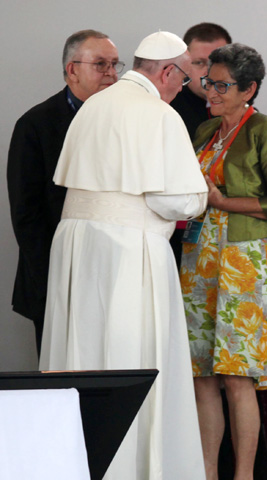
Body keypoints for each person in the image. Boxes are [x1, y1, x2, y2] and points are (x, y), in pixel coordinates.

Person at [39, 31, 208, 479]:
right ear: (167, 71)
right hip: (129, 250)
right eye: (183, 78)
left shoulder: (93, 105)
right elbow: (177, 200)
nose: (182, 89)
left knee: (81, 354)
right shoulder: (159, 114)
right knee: (128, 356)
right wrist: (201, 195)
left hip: (76, 246)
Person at [179, 43, 267, 480]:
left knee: (237, 375)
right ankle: (208, 473)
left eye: (222, 86)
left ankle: (243, 475)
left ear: (249, 89)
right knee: (202, 376)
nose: (211, 92)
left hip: (242, 261)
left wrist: (224, 201)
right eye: (208, 82)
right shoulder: (205, 129)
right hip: (198, 258)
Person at [7, 29, 121, 357]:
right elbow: (26, 215)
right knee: (61, 372)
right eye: (100, 64)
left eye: (115, 64)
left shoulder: (121, 120)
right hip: (54, 276)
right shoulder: (35, 124)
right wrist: (57, 276)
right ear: (72, 70)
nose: (111, 73)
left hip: (110, 273)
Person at [170, 22, 232, 266]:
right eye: (199, 63)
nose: (209, 72)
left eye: (217, 62)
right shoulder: (167, 109)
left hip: (229, 233)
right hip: (177, 233)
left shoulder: (245, 115)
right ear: (185, 65)